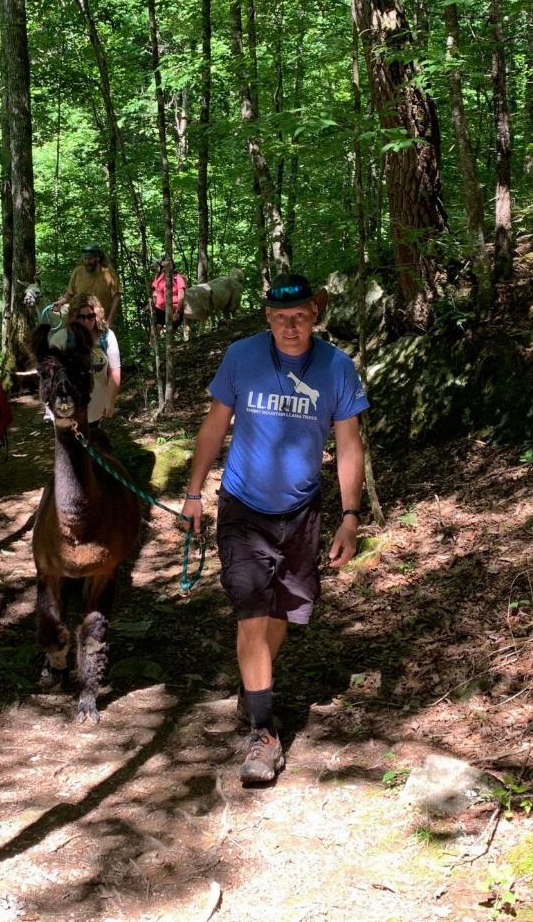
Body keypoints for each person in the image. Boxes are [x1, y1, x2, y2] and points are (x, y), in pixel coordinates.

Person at [179, 271, 368, 786]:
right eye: (282, 317)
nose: (291, 326)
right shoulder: (241, 356)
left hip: (303, 510)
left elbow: (349, 445)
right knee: (252, 610)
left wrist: (351, 516)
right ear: (267, 316)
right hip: (243, 507)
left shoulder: (336, 367)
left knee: (286, 608)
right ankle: (263, 731)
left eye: (301, 316)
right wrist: (194, 493)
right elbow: (215, 426)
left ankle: (252, 685)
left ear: (315, 314)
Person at [67, 293, 121, 430]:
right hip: (69, 408)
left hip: (97, 407)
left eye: (90, 316)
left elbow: (115, 371)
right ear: (74, 316)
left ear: (97, 315)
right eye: (81, 317)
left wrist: (110, 401)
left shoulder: (107, 336)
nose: (86, 321)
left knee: (94, 445)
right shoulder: (66, 337)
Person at [53, 244, 121, 328]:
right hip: (80, 324)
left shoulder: (108, 273)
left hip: (101, 323)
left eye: (90, 259)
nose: (87, 262)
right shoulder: (77, 272)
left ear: (97, 258)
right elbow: (70, 294)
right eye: (85, 259)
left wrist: (109, 321)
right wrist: (60, 302)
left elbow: (116, 298)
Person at [151, 257, 186, 330]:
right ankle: (152, 342)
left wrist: (177, 312)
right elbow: (155, 292)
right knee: (154, 331)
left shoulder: (177, 277)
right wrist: (151, 304)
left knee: (170, 331)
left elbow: (181, 296)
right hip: (159, 309)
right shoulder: (158, 277)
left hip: (173, 309)